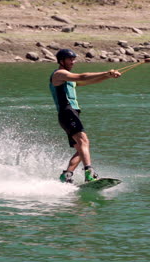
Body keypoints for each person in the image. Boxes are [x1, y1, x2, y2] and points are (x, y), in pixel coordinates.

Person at [49, 48, 121, 183]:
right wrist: (106, 72)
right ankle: (89, 173)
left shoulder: (68, 78)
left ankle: (67, 175)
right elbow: (82, 76)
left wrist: (107, 76)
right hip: (67, 112)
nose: (73, 62)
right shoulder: (59, 74)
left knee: (82, 149)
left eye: (73, 59)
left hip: (71, 114)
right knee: (84, 142)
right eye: (70, 59)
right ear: (61, 61)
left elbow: (88, 81)